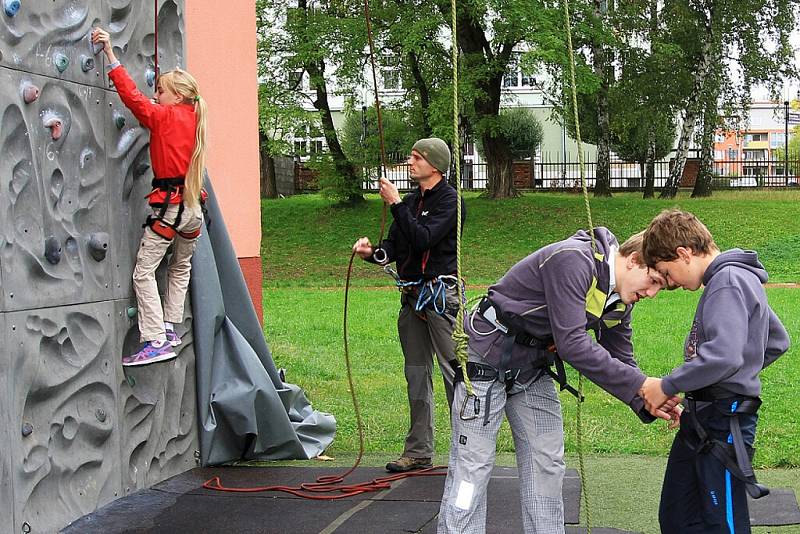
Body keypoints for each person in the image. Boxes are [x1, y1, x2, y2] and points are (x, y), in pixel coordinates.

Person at [437, 228, 678, 534]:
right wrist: (641, 385)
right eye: (654, 281)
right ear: (632, 260)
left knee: (547, 463)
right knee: (472, 469)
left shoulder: (620, 300)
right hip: (485, 356)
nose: (652, 294)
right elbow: (573, 344)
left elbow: (622, 361)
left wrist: (649, 400)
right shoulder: (573, 260)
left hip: (532, 367)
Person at [638, 209, 790, 534]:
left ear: (684, 253)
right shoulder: (732, 280)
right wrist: (709, 382)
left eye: (668, 273)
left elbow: (724, 356)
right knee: (678, 515)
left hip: (725, 418)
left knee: (724, 524)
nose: (670, 284)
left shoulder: (728, 282)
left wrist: (668, 385)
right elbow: (777, 340)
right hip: (703, 414)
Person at [92, 28, 208, 366]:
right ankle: (170, 327)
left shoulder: (164, 116)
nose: (155, 96)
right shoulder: (195, 119)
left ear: (177, 96)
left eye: (160, 91)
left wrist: (111, 56)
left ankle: (156, 338)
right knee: (180, 266)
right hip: (192, 210)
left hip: (169, 208)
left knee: (144, 272)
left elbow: (132, 97)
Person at [353, 138, 464, 473]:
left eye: (417, 157)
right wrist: (372, 253)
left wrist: (397, 204)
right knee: (416, 374)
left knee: (455, 375)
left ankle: (467, 451)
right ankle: (418, 451)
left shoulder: (451, 201)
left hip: (441, 298)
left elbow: (424, 238)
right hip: (413, 298)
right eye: (411, 156)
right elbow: (396, 247)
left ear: (435, 165)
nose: (410, 161)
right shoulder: (412, 200)